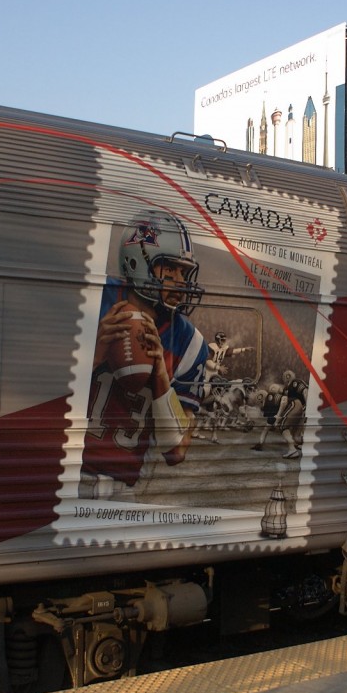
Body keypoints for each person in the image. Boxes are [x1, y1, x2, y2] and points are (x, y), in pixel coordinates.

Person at [80, 211, 208, 500]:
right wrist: (95, 353)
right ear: (137, 262)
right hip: (67, 474)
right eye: (170, 270)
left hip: (124, 491)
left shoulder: (189, 343)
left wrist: (161, 376)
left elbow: (176, 451)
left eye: (184, 272)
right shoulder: (92, 300)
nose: (181, 281)